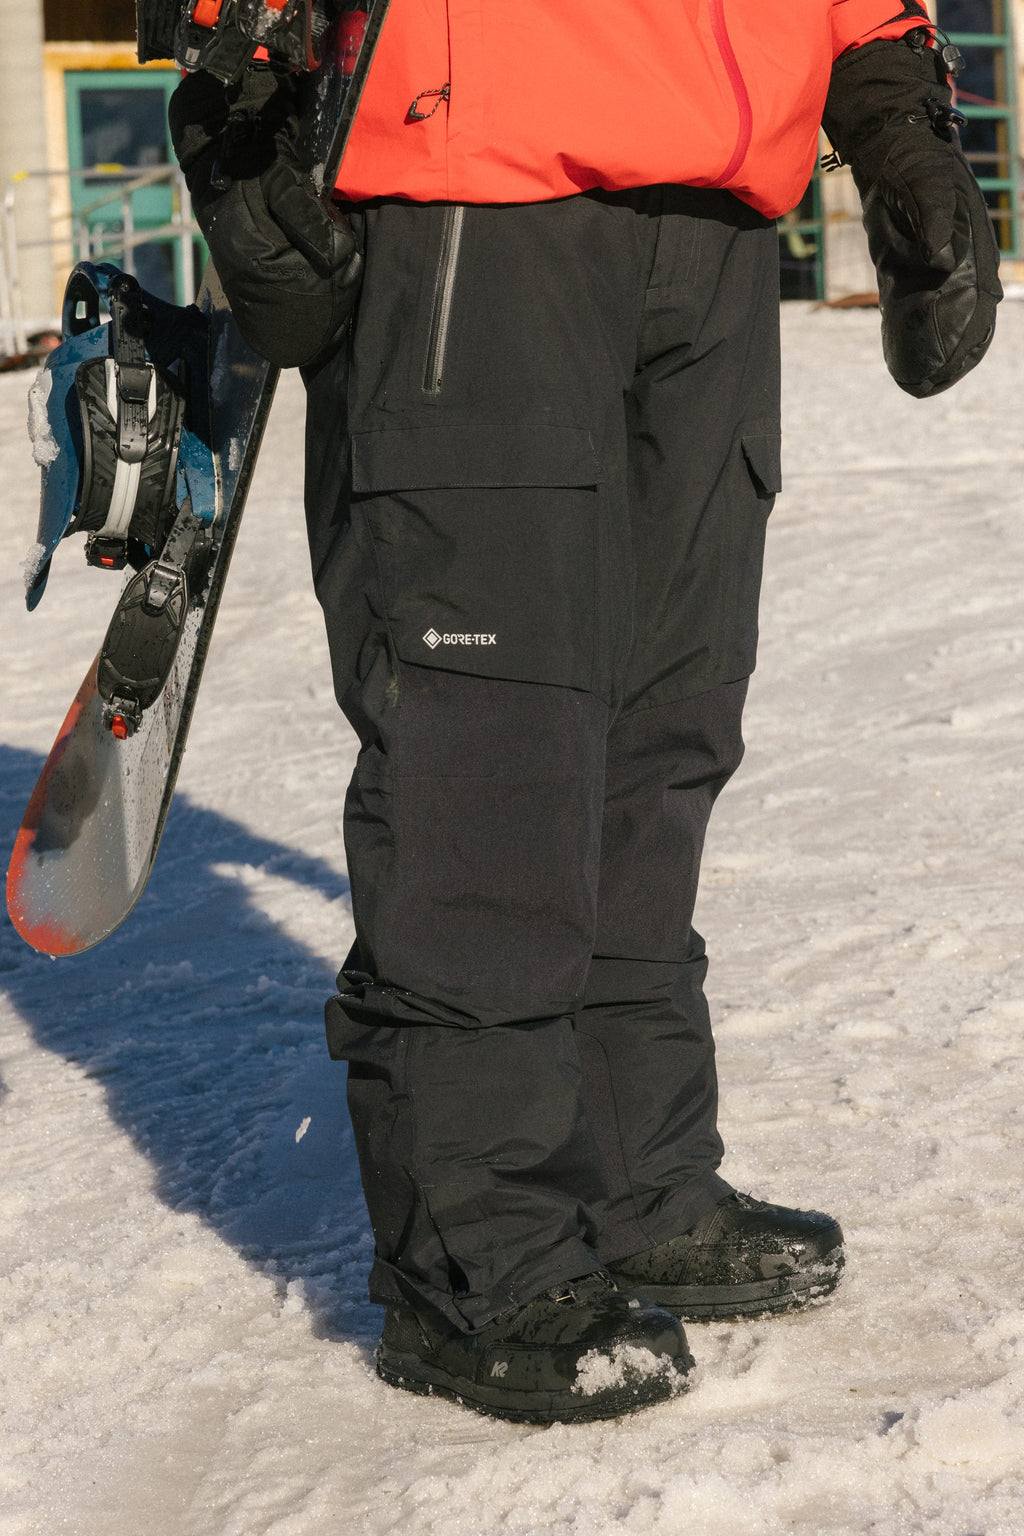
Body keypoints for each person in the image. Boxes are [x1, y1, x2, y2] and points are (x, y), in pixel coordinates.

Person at [170, 0, 1000, 1424]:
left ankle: (633, 1179)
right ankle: (476, 1253)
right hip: (476, 196)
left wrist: (900, 123)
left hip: (720, 220)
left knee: (664, 729)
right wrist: (238, 80)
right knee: (493, 742)